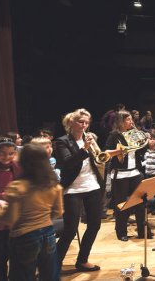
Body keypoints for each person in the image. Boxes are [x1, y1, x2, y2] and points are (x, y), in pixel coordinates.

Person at [0, 143, 63, 281]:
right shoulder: (53, 184)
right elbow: (58, 212)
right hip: (48, 233)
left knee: (22, 276)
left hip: (24, 236)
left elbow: (9, 219)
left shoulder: (17, 187)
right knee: (50, 276)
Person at [54, 108, 104, 271]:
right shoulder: (62, 141)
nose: (84, 125)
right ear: (71, 123)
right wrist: (84, 149)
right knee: (70, 229)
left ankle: (82, 260)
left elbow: (98, 158)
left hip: (92, 185)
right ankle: (54, 263)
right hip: (72, 188)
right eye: (81, 122)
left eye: (87, 123)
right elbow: (67, 163)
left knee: (95, 225)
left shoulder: (89, 139)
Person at [105, 110, 151, 242]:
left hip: (135, 172)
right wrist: (120, 151)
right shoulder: (114, 135)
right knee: (122, 205)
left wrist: (146, 142)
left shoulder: (135, 134)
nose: (131, 122)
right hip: (120, 174)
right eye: (128, 120)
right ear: (121, 121)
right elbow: (107, 152)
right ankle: (121, 232)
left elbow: (142, 151)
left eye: (131, 119)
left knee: (140, 202)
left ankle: (142, 231)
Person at [0, 138, 21, 281]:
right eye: (2, 153)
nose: (7, 157)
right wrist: (3, 196)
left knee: (17, 255)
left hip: (16, 219)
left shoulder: (17, 167)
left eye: (11, 153)